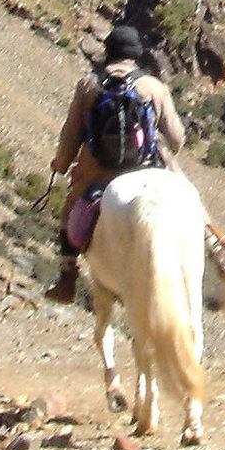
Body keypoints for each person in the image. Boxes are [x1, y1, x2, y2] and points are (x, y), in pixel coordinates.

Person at [46, 23, 186, 305]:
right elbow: (177, 140)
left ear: (108, 52)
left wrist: (60, 165)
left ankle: (67, 279)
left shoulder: (89, 84)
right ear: (136, 55)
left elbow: (71, 134)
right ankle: (210, 252)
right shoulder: (153, 87)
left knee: (69, 212)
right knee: (184, 202)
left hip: (96, 176)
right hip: (144, 173)